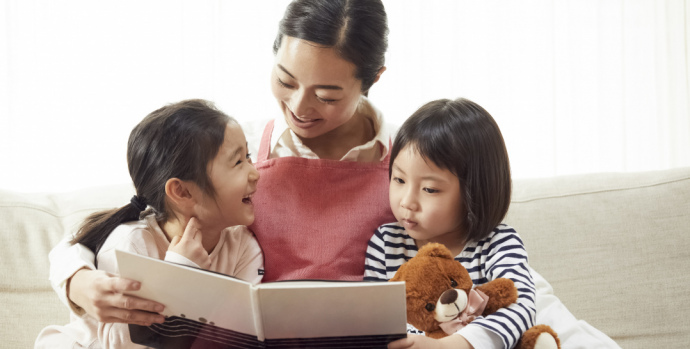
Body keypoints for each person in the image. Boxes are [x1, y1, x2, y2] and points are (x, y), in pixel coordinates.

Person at [47, 1, 620, 348]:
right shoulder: (234, 155)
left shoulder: (412, 170)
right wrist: (78, 283)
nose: (299, 105)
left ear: (373, 79)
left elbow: (489, 264)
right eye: (284, 79)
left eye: (327, 93)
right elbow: (121, 223)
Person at [36, 99, 263, 348]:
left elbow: (238, 335)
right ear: (183, 192)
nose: (255, 173)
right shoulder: (129, 244)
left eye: (248, 156)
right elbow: (120, 345)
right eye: (238, 162)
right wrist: (179, 273)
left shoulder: (243, 247)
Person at [364, 98, 531, 349]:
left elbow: (520, 307)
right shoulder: (387, 242)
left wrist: (452, 345)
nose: (407, 202)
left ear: (475, 191)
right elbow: (374, 319)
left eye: (430, 189)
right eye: (399, 180)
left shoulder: (498, 243)